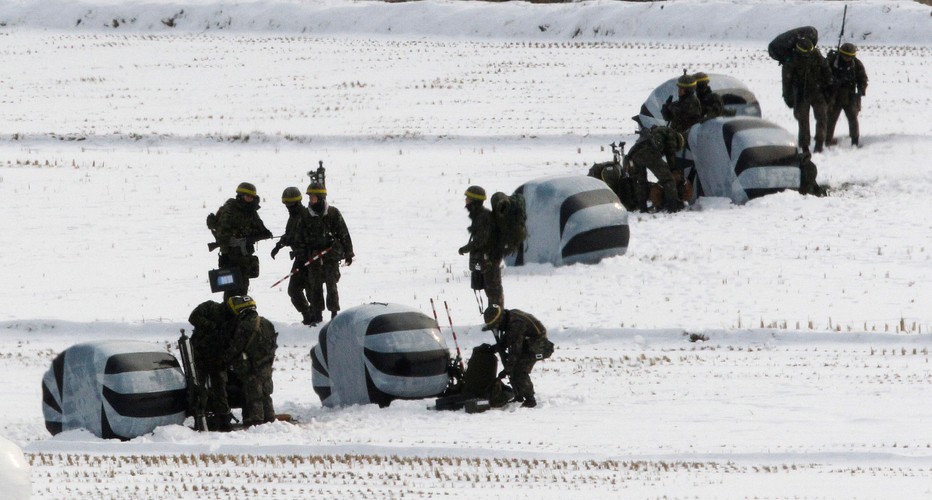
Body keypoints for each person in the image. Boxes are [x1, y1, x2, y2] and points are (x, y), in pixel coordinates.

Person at [220, 295, 279, 428]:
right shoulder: (267, 323)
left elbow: (236, 348)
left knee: (254, 396)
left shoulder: (244, 325)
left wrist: (223, 360)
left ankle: (255, 423)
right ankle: (270, 420)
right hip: (266, 365)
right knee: (266, 394)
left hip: (251, 367)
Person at [482, 304, 552, 408]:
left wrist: (507, 369)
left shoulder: (516, 324)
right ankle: (518, 395)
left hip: (539, 345)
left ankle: (530, 400)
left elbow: (515, 350)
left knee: (519, 369)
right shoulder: (510, 317)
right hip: (527, 342)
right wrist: (496, 348)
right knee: (514, 366)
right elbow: (509, 338)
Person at [303, 182, 354, 323]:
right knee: (315, 288)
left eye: (313, 197)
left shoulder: (333, 213)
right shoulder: (306, 215)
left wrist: (349, 253)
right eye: (310, 197)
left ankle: (334, 316)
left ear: (320, 197)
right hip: (314, 259)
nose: (310, 199)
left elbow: (344, 234)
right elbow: (301, 237)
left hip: (331, 258)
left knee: (332, 286)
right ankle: (317, 316)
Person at [211, 182, 273, 298]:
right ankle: (228, 314)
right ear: (240, 195)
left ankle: (240, 314)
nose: (249, 199)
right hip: (230, 256)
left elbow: (261, 229)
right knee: (231, 291)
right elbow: (222, 232)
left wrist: (258, 235)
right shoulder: (230, 209)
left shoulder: (251, 211)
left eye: (251, 197)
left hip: (245, 258)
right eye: (247, 196)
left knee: (243, 289)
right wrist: (227, 248)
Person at [187, 299, 237, 431]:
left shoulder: (232, 319)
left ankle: (223, 419)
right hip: (201, 354)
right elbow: (193, 318)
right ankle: (199, 417)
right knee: (200, 387)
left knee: (220, 387)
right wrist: (211, 326)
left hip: (217, 356)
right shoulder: (209, 306)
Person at [270, 187, 316, 326]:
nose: (288, 207)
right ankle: (307, 314)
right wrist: (279, 245)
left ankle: (315, 318)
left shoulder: (308, 215)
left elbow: (313, 238)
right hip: (299, 259)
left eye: (291, 204)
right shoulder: (293, 218)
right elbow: (290, 235)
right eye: (286, 204)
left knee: (311, 291)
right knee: (294, 290)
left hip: (310, 260)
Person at [781, 37, 833, 154]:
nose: (808, 55)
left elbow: (826, 69)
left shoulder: (816, 55)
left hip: (817, 92)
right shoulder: (792, 59)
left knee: (822, 117)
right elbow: (786, 81)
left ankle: (819, 143)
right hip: (801, 94)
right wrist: (788, 97)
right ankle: (805, 146)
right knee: (803, 120)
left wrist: (829, 86)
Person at [458, 186, 504, 308]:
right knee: (491, 290)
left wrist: (465, 249)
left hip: (489, 259)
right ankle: (493, 318)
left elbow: (481, 241)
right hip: (486, 259)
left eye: (468, 198)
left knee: (493, 291)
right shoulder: (479, 216)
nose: (466, 200)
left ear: (474, 200)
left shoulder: (483, 217)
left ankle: (496, 320)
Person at [624, 125, 686, 213]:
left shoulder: (653, 132)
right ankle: (673, 207)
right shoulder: (671, 134)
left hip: (634, 156)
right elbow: (670, 153)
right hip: (649, 153)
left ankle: (643, 208)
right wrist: (673, 170)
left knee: (641, 182)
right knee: (668, 179)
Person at [825, 42, 868, 147]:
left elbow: (862, 78)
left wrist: (861, 90)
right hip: (834, 96)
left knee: (853, 118)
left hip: (850, 95)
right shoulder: (831, 62)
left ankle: (855, 141)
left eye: (850, 57)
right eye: (845, 56)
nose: (847, 58)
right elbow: (823, 75)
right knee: (831, 119)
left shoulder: (856, 64)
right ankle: (827, 141)